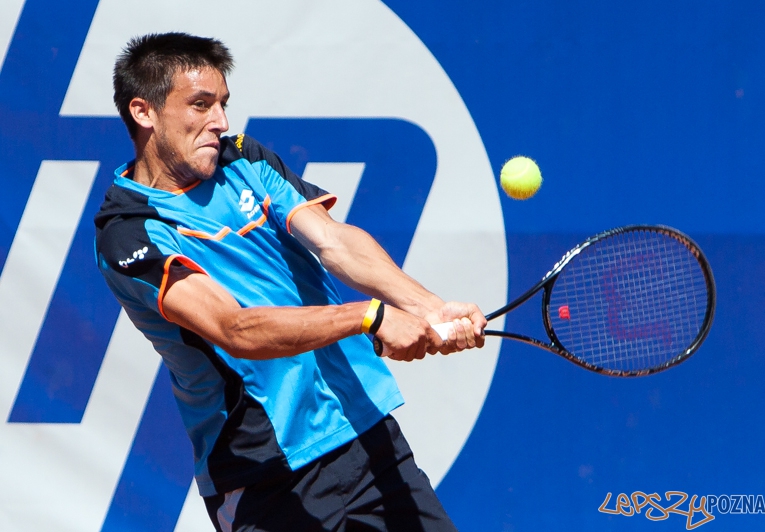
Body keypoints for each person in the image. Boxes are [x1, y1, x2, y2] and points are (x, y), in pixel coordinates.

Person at [94, 32, 486, 532]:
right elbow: (234, 329)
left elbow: (333, 241)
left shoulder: (243, 158)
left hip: (364, 430)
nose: (221, 122)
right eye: (200, 105)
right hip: (264, 474)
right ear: (144, 112)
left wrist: (429, 306)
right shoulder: (128, 232)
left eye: (223, 104)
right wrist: (367, 316)